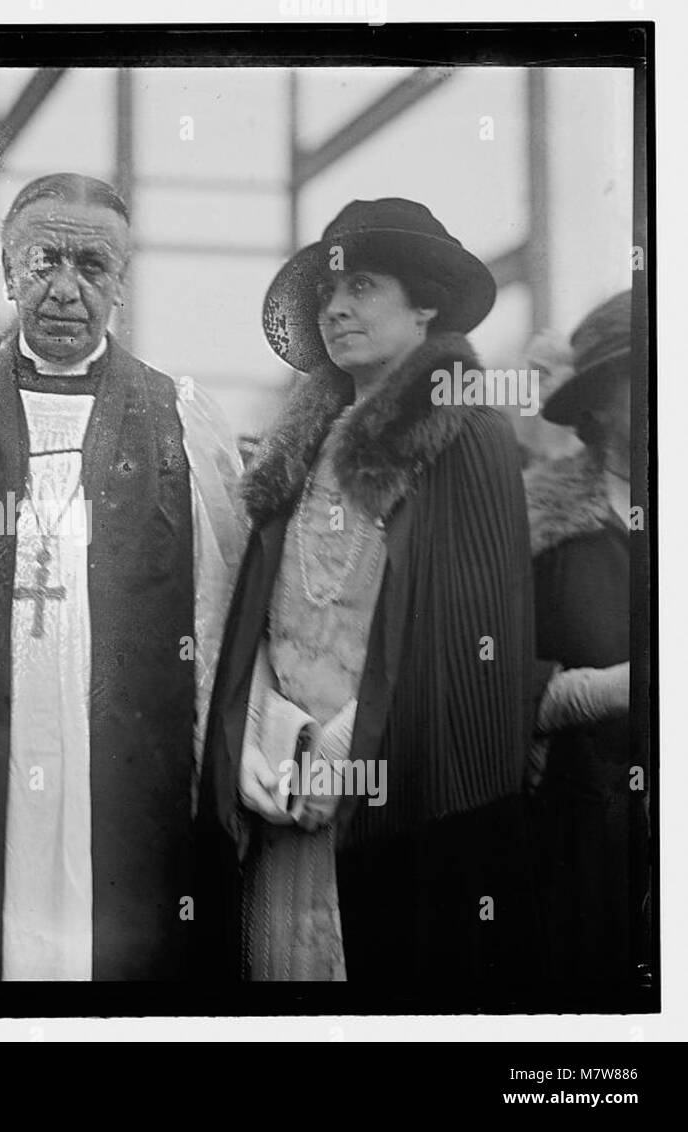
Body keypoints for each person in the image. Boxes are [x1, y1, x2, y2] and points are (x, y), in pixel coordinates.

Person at [0, 173, 245, 980]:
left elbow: (212, 624)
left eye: (92, 267)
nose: (66, 290)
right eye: (44, 261)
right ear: (6, 270)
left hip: (126, 770)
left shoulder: (181, 418)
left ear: (122, 283)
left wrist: (209, 778)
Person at [198, 198, 540, 984]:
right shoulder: (297, 443)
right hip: (283, 784)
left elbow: (468, 642)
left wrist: (347, 759)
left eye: (364, 286)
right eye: (325, 294)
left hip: (398, 798)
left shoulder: (468, 435)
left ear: (425, 306)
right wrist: (258, 740)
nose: (337, 307)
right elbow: (259, 619)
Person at [525, 289, 647, 986]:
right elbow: (497, 681)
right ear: (599, 403)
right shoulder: (536, 526)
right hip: (582, 838)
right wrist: (610, 689)